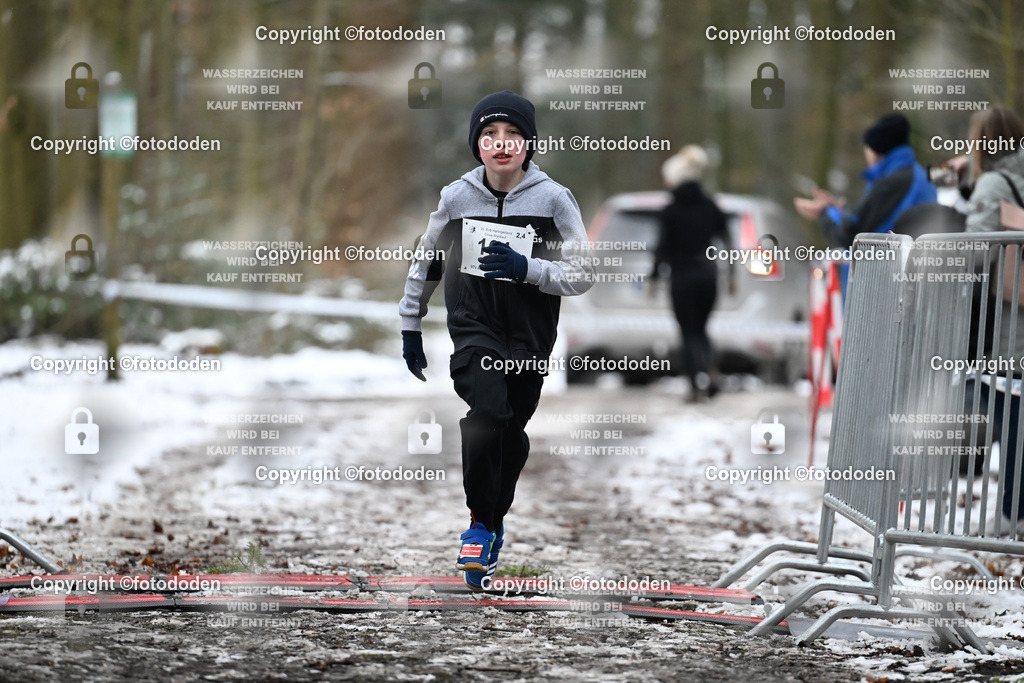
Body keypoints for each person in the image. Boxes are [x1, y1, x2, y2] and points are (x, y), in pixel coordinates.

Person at [399, 91, 594, 589]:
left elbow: (585, 273)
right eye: (489, 135)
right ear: (477, 144)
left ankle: (492, 518)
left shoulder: (554, 199)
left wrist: (528, 269)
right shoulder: (456, 197)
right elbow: (427, 261)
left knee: (511, 431)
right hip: (474, 330)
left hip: (530, 339)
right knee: (487, 414)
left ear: (529, 144)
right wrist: (410, 324)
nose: (500, 144)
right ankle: (479, 525)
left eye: (512, 135)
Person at [956, 106, 1024, 529]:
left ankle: (1013, 514)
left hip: (1008, 323)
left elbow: (977, 248)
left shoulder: (996, 182)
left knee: (1008, 409)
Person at [650, 145, 734, 401]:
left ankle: (695, 387)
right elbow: (727, 238)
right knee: (701, 328)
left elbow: (662, 248)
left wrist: (654, 276)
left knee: (687, 331)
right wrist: (732, 274)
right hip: (708, 275)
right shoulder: (710, 205)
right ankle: (710, 367)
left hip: (682, 277)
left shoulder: (671, 210)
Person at [794, 113, 937, 247]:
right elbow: (874, 219)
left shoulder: (892, 183)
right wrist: (837, 211)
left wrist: (824, 212)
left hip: (890, 270)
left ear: (874, 150)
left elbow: (853, 234)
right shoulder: (919, 176)